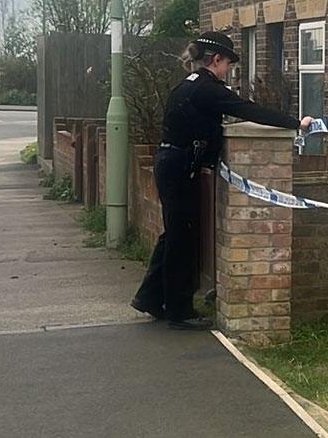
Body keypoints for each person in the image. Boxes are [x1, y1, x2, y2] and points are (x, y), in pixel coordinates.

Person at [131, 31, 314, 330]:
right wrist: (295, 123)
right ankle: (178, 310)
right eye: (228, 63)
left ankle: (150, 297)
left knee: (175, 234)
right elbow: (247, 109)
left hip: (172, 164)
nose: (228, 70)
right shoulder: (207, 89)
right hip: (179, 167)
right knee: (182, 238)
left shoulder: (187, 85)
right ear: (216, 60)